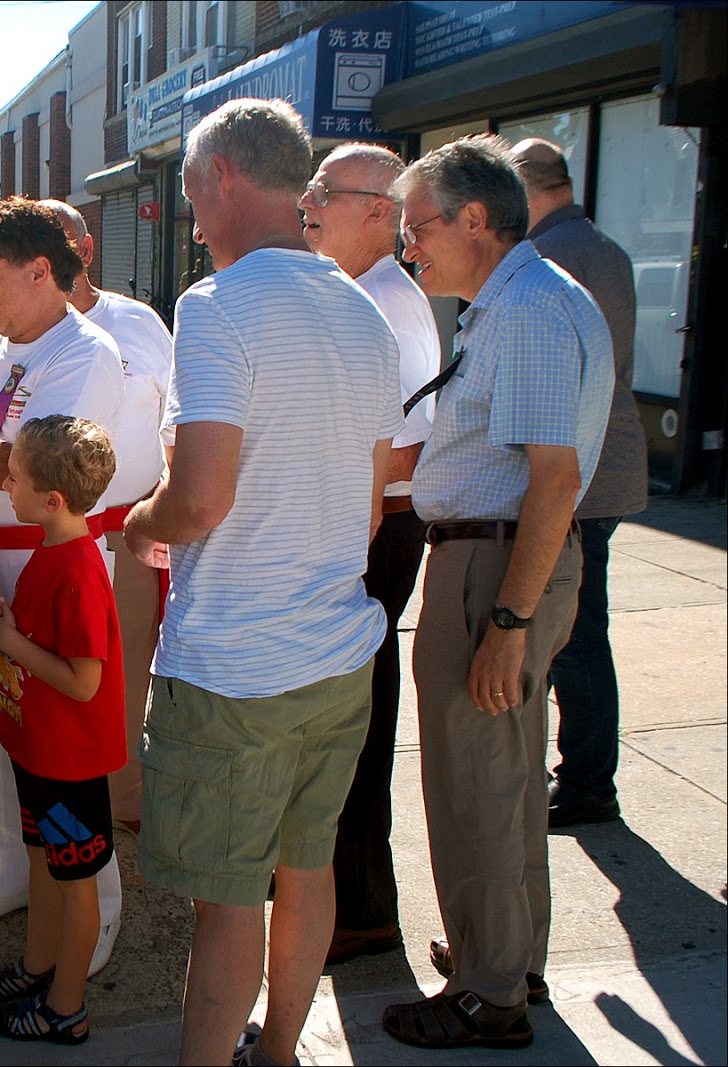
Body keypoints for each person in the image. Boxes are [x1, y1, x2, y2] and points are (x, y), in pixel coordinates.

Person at [122, 98, 401, 1067]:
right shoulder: (363, 311)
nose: (191, 217)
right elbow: (367, 510)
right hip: (335, 653)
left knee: (228, 899)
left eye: (193, 191)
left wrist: (135, 523)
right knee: (307, 865)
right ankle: (276, 1053)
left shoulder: (215, 303)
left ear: (225, 177)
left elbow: (197, 500)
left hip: (237, 661)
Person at [381, 134, 613, 1051]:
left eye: (420, 227)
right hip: (494, 556)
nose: (412, 248)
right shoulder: (513, 300)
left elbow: (553, 478)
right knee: (505, 779)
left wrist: (509, 622)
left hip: (497, 564)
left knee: (474, 781)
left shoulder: (525, 310)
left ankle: (489, 995)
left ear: (476, 218)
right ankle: (508, 958)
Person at [0, 197, 126, 978]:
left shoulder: (86, 351)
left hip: (44, 567)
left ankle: (95, 911)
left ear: (42, 272)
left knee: (58, 751)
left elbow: (12, 467)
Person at [299, 143, 442, 966]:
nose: (310, 201)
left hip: (379, 529)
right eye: (312, 187)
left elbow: (404, 453)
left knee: (357, 720)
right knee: (342, 717)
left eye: (329, 190)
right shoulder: (360, 293)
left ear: (381, 212)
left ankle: (362, 905)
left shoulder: (384, 301)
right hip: (362, 521)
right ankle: (339, 886)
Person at [0, 414, 125, 1045]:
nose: (6, 486)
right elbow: (42, 640)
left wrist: (11, 641)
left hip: (69, 763)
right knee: (44, 862)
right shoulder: (52, 549)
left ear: (51, 499)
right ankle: (37, 967)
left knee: (76, 882)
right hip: (38, 749)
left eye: (13, 479)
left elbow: (84, 680)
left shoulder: (81, 569)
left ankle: (67, 1006)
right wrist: (7, 629)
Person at [511, 137, 648, 828]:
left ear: (530, 192)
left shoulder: (552, 259)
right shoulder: (601, 245)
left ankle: (589, 779)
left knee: (574, 631)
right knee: (583, 624)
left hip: (582, 473)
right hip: (604, 463)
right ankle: (589, 772)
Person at [37, 198, 173, 834]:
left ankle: (123, 800)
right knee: (51, 680)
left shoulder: (140, 323)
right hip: (42, 539)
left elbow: (181, 421)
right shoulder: (4, 334)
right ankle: (52, 815)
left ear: (85, 251)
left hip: (127, 533)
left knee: (123, 678)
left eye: (55, 244)